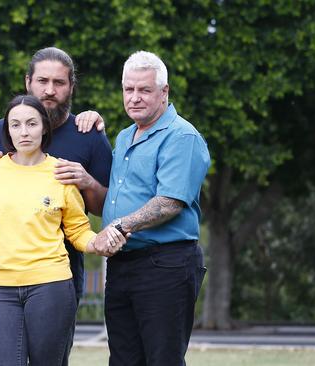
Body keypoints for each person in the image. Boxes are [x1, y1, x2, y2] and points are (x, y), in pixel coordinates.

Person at [0, 47, 113, 365]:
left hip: (57, 274)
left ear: (71, 86)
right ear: (28, 82)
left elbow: (105, 207)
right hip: (3, 277)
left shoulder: (89, 135)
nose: (50, 90)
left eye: (59, 82)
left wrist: (87, 181)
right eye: (42, 81)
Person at [101, 51, 211, 366]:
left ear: (164, 92)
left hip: (165, 265)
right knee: (123, 359)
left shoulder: (182, 136)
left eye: (144, 90)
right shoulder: (123, 137)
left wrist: (119, 227)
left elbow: (170, 202)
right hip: (123, 264)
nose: (134, 98)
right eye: (128, 89)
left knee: (162, 359)